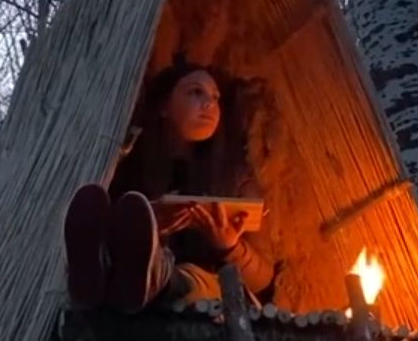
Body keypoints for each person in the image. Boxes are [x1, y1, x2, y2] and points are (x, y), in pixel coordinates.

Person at [64, 62, 276, 311]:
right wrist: (148, 224)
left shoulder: (237, 176)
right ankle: (98, 279)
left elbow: (262, 279)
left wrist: (229, 247)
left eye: (215, 97)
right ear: (164, 106)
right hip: (131, 272)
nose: (209, 104)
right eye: (196, 92)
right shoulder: (128, 164)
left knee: (192, 280)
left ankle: (151, 279)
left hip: (203, 290)